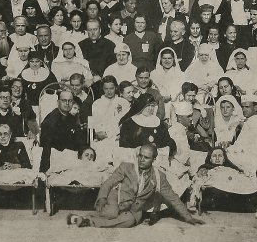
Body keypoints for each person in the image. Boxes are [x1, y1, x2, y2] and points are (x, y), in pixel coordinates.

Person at [66, 143, 203, 228]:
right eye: (140, 156)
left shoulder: (159, 176)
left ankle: (87, 221)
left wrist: (188, 217)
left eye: (146, 157)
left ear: (154, 159)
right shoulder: (126, 167)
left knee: (129, 222)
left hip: (134, 209)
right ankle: (87, 218)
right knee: (112, 213)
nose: (142, 160)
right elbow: (109, 182)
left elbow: (173, 198)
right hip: (116, 197)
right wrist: (102, 197)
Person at [40, 89, 87, 172]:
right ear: (58, 102)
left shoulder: (72, 119)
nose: (67, 103)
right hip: (56, 162)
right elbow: (46, 148)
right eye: (64, 100)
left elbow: (80, 142)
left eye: (70, 101)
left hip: (71, 160)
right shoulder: (51, 120)